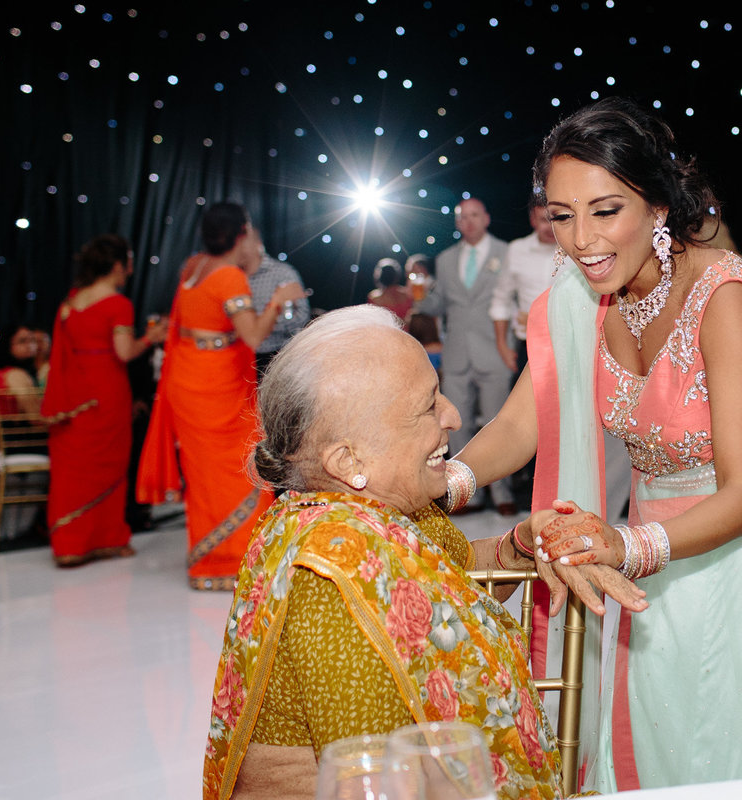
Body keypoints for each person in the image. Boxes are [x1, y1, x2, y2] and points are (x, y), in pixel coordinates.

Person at [449, 98, 742, 791]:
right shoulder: (582, 294)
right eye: (561, 216)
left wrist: (628, 547)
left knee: (730, 758)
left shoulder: (724, 292)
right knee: (658, 747)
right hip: (644, 567)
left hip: (739, 558)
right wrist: (441, 481)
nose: (580, 241)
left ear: (659, 208)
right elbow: (522, 423)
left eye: (606, 211)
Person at [201, 305, 643, 800]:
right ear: (349, 460)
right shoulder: (329, 586)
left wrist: (519, 545)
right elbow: (388, 784)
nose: (454, 415)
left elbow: (449, 570)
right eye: (428, 406)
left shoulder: (376, 513)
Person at [138, 202, 305, 590]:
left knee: (205, 476)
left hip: (188, 380)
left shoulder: (193, 267)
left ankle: (208, 562)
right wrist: (279, 300)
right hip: (217, 387)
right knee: (240, 470)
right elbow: (252, 336)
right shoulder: (229, 275)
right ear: (242, 232)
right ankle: (234, 562)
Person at [41, 234, 168, 567]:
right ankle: (108, 540)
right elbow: (124, 352)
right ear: (115, 265)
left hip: (73, 394)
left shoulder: (70, 303)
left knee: (73, 467)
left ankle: (69, 543)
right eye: (126, 262)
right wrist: (152, 337)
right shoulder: (116, 304)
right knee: (108, 464)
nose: (129, 270)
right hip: (105, 390)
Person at [417, 197, 516, 516]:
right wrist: (417, 298)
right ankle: (465, 494)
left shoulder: (507, 251)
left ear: (486, 218)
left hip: (495, 351)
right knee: (456, 427)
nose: (469, 221)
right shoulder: (445, 259)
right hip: (457, 354)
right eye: (462, 217)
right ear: (457, 223)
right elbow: (438, 304)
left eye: (474, 215)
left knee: (499, 425)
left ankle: (502, 492)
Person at [491, 199, 560, 376]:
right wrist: (502, 346)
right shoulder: (517, 250)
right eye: (544, 220)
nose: (550, 227)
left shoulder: (578, 249)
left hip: (570, 344)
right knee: (528, 403)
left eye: (556, 219)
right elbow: (501, 299)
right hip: (528, 345)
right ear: (533, 220)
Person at [244, 234, 310, 377]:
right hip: (239, 358)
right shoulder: (231, 275)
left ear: (257, 243)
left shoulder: (282, 273)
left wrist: (262, 324)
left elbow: (302, 316)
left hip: (275, 356)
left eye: (244, 242)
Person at [0, 325, 39, 458]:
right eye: (23, 341)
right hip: (7, 442)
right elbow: (35, 417)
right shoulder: (14, 374)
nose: (30, 345)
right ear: (7, 346)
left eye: (33, 340)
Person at [366, 257, 415, 322]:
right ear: (397, 276)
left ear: (379, 276)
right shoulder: (407, 293)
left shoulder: (374, 297)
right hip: (406, 331)